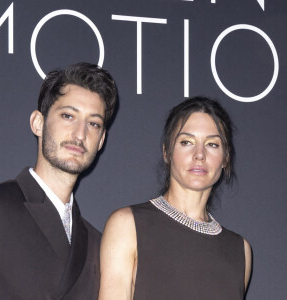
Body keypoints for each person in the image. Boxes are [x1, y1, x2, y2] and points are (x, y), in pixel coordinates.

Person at [99, 97, 251, 300]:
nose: (199, 154)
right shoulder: (128, 225)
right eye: (186, 142)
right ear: (167, 152)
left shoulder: (240, 250)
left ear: (225, 157)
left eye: (212, 144)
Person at [0, 62, 117, 299]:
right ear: (38, 123)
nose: (80, 134)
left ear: (101, 141)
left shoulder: (98, 245)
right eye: (68, 116)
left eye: (93, 124)